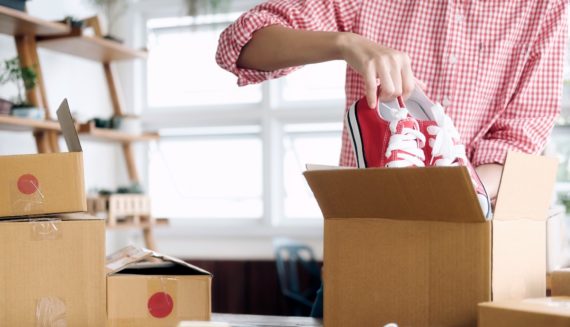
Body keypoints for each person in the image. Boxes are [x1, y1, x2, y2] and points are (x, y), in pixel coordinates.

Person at [216, 0, 568, 317]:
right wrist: (347, 43)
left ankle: (452, 174)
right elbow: (238, 45)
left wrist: (444, 191)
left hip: (471, 257)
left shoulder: (546, 7)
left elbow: (517, 140)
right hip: (365, 253)